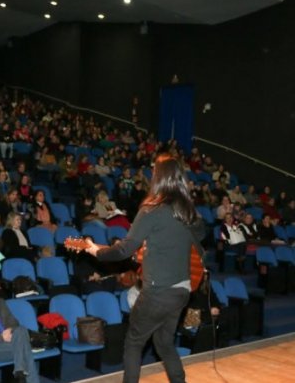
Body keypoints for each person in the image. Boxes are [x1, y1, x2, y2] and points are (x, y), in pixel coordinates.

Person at [84, 153, 205, 383]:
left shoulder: (151, 209)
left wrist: (96, 251)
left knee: (134, 341)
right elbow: (200, 234)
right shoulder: (188, 211)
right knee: (164, 343)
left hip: (158, 291)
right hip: (182, 291)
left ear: (157, 178)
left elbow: (124, 250)